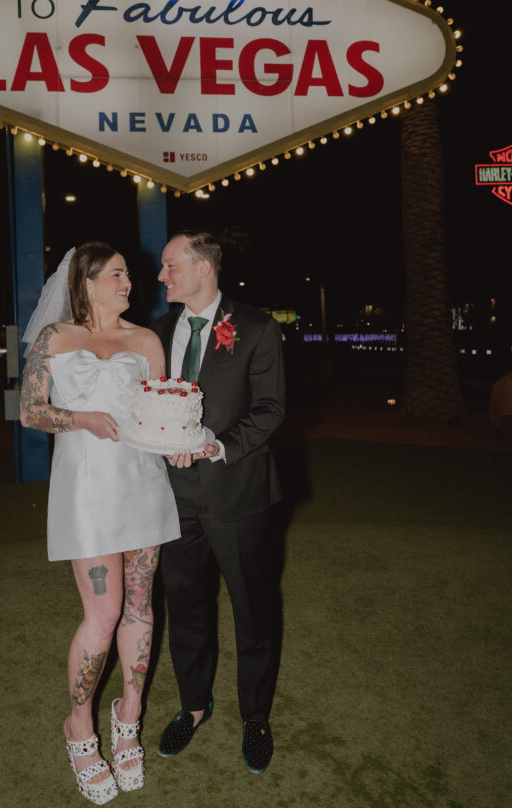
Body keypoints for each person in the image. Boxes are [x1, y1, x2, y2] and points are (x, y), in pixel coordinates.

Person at [20, 242, 180, 804]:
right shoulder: (55, 338)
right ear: (86, 282)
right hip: (86, 489)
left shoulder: (147, 341)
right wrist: (81, 418)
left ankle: (128, 716)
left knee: (140, 605)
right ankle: (79, 727)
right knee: (104, 611)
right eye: (117, 274)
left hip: (143, 484)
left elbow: (163, 410)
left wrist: (186, 442)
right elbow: (29, 410)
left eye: (128, 275)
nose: (128, 283)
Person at [151, 230, 285, 773]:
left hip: (238, 494)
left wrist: (218, 445)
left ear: (203, 267)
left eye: (170, 265)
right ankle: (193, 706)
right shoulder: (159, 332)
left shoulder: (257, 327)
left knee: (253, 609)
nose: (161, 275)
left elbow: (271, 408)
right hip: (174, 498)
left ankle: (255, 717)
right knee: (185, 606)